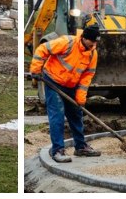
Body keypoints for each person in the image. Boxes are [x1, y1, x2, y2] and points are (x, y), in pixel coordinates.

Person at [29, 25, 102, 163]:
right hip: (53, 80)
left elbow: (87, 76)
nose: (93, 44)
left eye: (96, 42)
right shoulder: (67, 42)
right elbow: (42, 49)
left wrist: (80, 97)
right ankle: (57, 150)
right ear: (84, 38)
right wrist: (36, 70)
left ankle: (80, 147)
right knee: (57, 115)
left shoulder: (93, 53)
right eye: (92, 41)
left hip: (71, 86)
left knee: (76, 115)